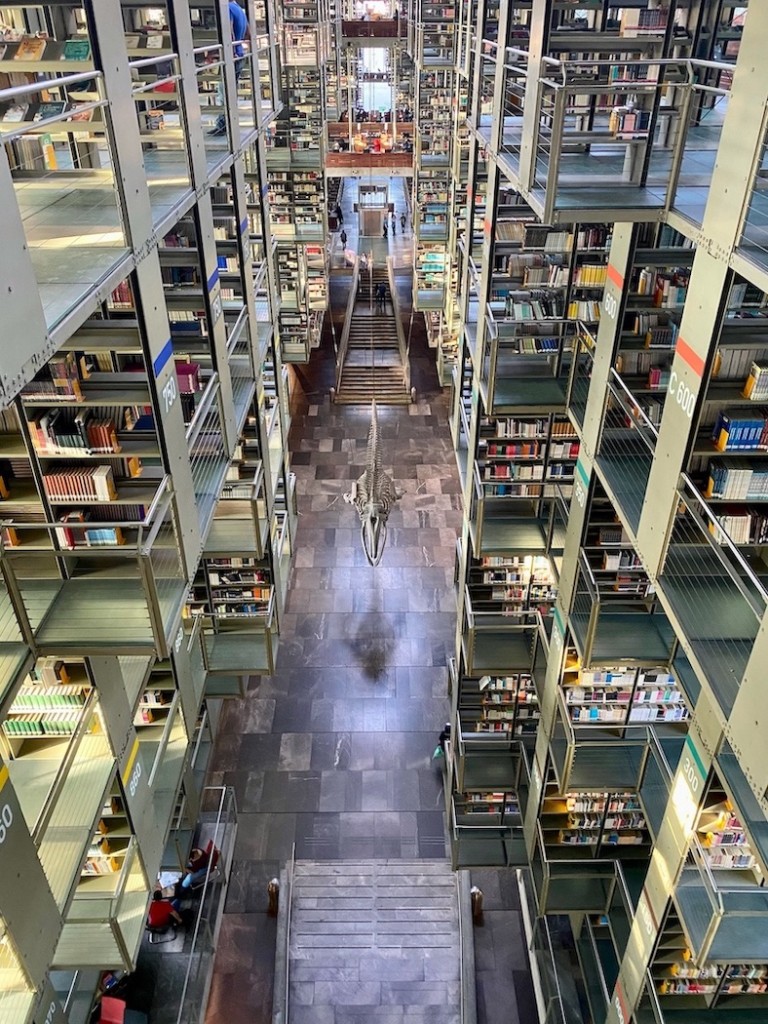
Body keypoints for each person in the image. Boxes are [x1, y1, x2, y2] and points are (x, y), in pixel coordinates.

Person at [210, 1, 249, 136]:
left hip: (231, 57)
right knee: (229, 91)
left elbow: (229, 31)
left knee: (224, 91)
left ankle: (223, 125)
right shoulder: (239, 9)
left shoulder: (226, 9)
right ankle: (226, 123)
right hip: (239, 55)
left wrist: (230, 52)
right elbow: (248, 33)